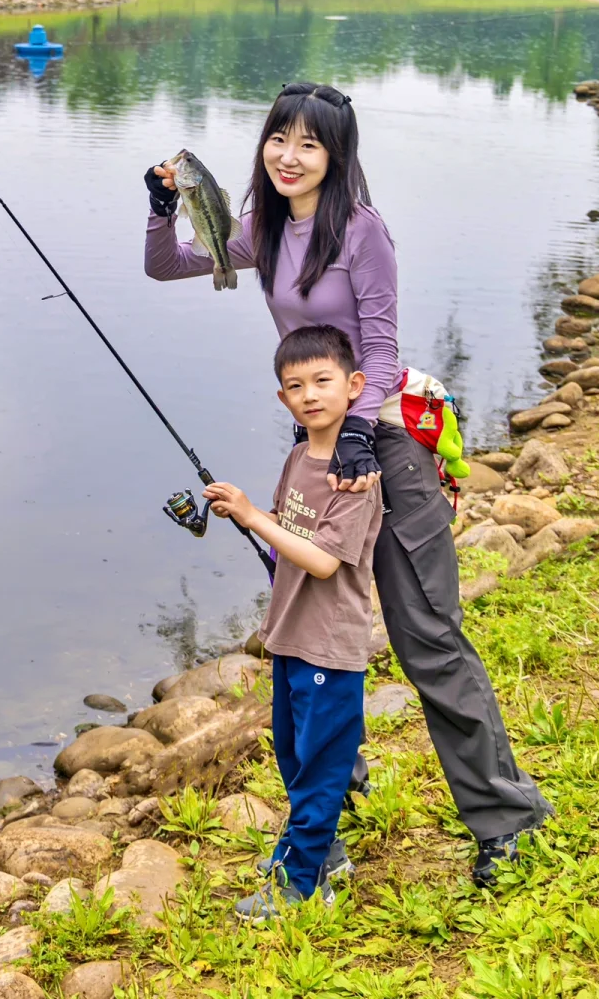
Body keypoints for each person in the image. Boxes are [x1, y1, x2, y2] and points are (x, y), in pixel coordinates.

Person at [144, 82, 552, 887]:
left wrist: (362, 433)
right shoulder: (260, 226)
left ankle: (506, 819)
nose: (289, 157)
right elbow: (170, 266)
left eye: (309, 145)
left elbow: (383, 341)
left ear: (336, 155)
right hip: (317, 449)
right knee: (311, 632)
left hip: (385, 447)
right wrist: (161, 207)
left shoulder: (361, 232)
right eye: (278, 140)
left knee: (427, 638)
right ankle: (333, 805)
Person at [205, 323, 383, 920]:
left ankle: (300, 884)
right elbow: (289, 529)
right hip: (290, 633)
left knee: (322, 765)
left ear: (354, 387)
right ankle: (321, 851)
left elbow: (327, 563)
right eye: (294, 385)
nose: (309, 394)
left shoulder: (357, 476)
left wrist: (257, 519)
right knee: (292, 751)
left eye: (322, 381)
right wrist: (244, 512)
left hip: (331, 643)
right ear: (283, 399)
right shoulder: (296, 456)